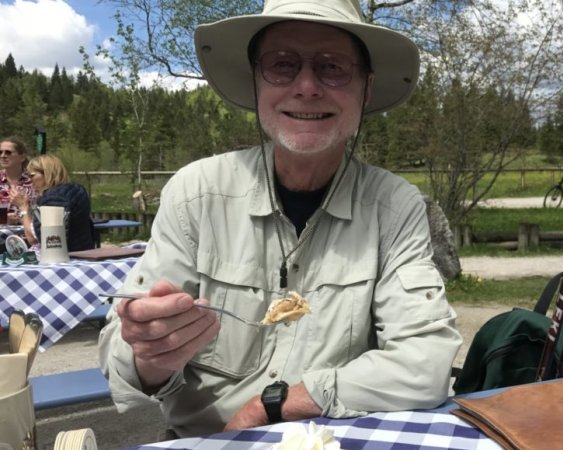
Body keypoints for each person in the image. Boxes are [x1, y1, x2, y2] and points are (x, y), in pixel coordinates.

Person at [98, 0, 462, 438]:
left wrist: (271, 407)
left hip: (334, 441)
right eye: (282, 64)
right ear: (256, 82)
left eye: (332, 67)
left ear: (365, 90)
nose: (307, 86)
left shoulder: (395, 206)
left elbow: (426, 362)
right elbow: (123, 360)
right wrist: (151, 355)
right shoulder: (194, 194)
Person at [10, 154, 95, 252]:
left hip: (67, 257)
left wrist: (23, 208)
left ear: (47, 173)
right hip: (82, 251)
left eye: (32, 175)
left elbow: (39, 239)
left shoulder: (54, 198)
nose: (29, 180)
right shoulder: (75, 189)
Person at [0, 137, 36, 221]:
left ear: (22, 157)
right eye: (0, 152)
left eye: (8, 152)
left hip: (27, 231)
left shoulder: (34, 180)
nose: (3, 156)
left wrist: (21, 217)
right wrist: (5, 218)